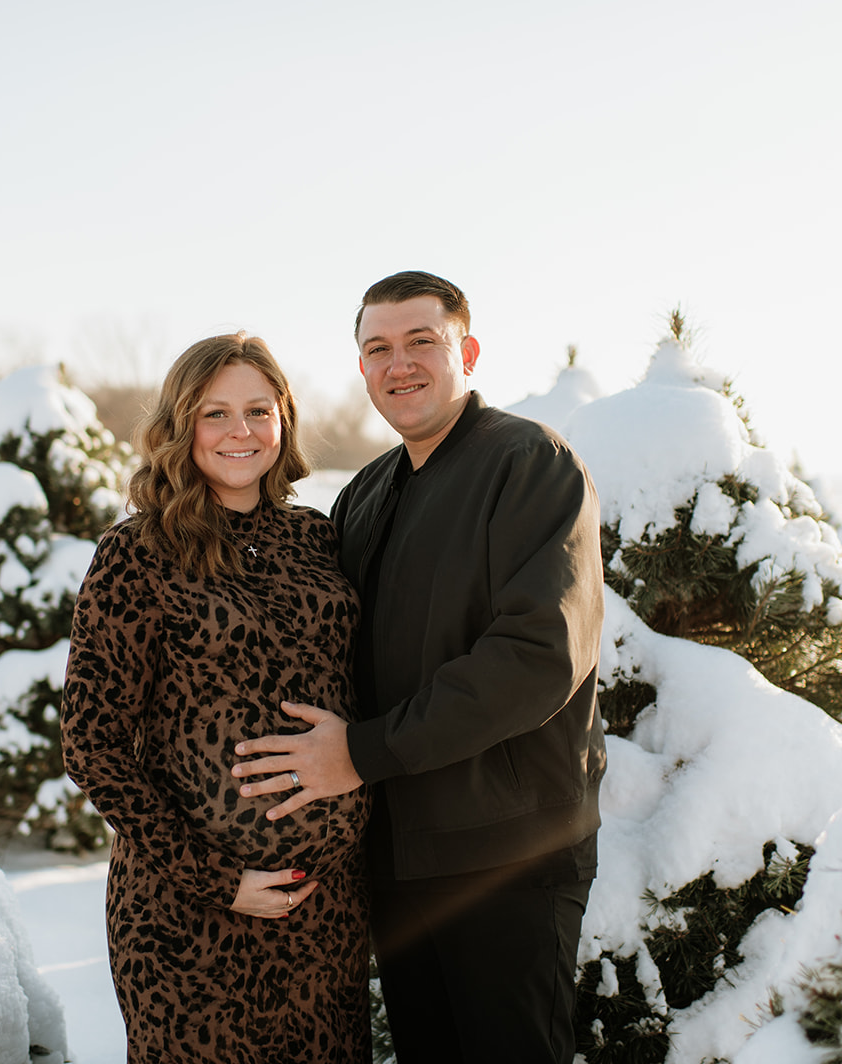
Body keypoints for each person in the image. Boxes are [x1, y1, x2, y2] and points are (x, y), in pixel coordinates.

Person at [231, 272, 606, 1063]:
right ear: (361, 369)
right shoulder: (366, 494)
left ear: (465, 351)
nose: (399, 364)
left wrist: (361, 754)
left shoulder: (528, 463)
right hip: (401, 861)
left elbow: (538, 657)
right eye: (378, 349)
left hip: (507, 857)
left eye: (420, 343)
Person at [60, 333, 370, 1064]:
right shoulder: (136, 554)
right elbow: (93, 747)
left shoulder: (319, 539)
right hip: (189, 920)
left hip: (324, 915)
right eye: (215, 414)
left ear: (284, 421)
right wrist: (220, 879)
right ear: (180, 427)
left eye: (258, 411)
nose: (241, 432)